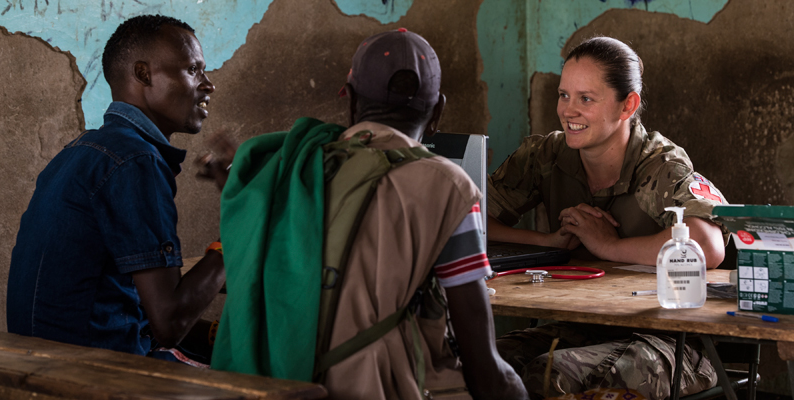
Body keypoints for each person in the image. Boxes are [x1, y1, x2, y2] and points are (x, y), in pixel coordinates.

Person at [208, 29, 527, 399]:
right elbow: (482, 362)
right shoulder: (449, 186)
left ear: (352, 101)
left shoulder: (297, 168)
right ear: (438, 109)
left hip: (279, 382)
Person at [488, 37, 728, 399]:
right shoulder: (547, 156)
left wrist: (610, 246)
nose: (569, 110)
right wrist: (546, 242)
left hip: (670, 342)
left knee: (551, 375)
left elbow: (707, 246)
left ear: (627, 105)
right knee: (483, 366)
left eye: (586, 99)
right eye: (563, 95)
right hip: (580, 328)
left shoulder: (659, 164)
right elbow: (464, 218)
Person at [7, 15, 225, 365]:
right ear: (143, 74)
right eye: (194, 70)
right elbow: (169, 323)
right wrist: (241, 225)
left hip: (45, 360)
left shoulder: (84, 149)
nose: (209, 84)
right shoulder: (135, 161)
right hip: (90, 372)